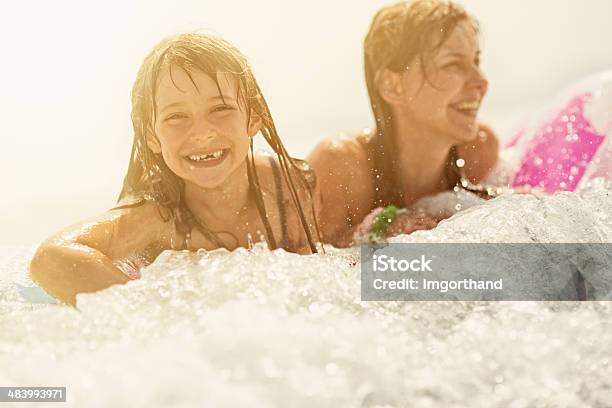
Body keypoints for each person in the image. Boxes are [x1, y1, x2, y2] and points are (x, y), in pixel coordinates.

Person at [30, 33, 321, 306]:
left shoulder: (289, 187)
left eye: (220, 109)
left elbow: (325, 276)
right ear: (151, 136)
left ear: (253, 117)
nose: (203, 133)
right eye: (177, 116)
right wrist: (155, 319)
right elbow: (50, 259)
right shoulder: (157, 216)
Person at [308, 0, 500, 247]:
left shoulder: (479, 150)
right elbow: (316, 263)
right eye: (453, 64)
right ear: (393, 85)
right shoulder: (341, 168)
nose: (481, 81)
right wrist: (378, 231)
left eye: (476, 61)